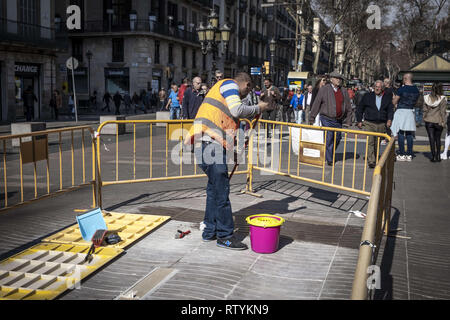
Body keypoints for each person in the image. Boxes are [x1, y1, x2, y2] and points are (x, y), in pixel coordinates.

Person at [184, 72, 275, 250]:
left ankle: (210, 231)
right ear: (247, 85)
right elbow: (237, 110)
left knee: (214, 190)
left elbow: (228, 119)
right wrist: (259, 108)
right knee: (221, 192)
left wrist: (232, 149)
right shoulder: (229, 85)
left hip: (206, 144)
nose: (244, 97)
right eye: (247, 93)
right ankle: (225, 236)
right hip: (209, 144)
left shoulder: (222, 89)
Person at [309, 71, 352, 166]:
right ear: (331, 79)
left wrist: (348, 120)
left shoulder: (343, 90)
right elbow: (317, 103)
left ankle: (329, 153)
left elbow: (348, 106)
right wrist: (312, 117)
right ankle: (329, 159)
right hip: (326, 118)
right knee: (329, 138)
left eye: (340, 79)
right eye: (337, 78)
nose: (339, 80)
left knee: (337, 138)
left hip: (338, 119)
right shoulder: (324, 89)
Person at [356, 80, 394, 168]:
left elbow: (390, 110)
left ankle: (375, 157)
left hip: (381, 124)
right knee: (370, 142)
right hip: (369, 123)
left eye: (379, 87)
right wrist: (359, 121)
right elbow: (360, 108)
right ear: (373, 87)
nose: (377, 88)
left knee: (377, 142)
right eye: (376, 86)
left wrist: (389, 120)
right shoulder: (367, 96)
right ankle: (371, 161)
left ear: (382, 88)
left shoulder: (387, 97)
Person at [391, 73, 420, 162]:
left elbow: (394, 101)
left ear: (405, 79)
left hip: (401, 111)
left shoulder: (401, 89)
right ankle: (410, 153)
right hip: (410, 111)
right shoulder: (416, 90)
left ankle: (402, 153)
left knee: (400, 132)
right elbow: (416, 102)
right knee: (409, 134)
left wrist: (393, 99)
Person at [423, 83, 447, 162]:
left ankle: (433, 156)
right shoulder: (442, 98)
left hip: (429, 120)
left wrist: (424, 117)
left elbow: (424, 110)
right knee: (438, 139)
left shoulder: (426, 98)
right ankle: (438, 156)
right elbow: (443, 112)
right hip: (438, 121)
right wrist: (444, 122)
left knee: (431, 139)